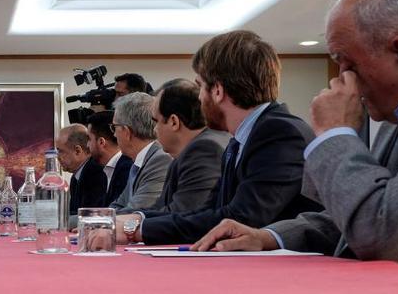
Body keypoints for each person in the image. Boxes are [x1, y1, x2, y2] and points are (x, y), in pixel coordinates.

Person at [193, 0, 398, 261]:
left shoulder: (289, 129)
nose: (343, 78)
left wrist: (336, 135)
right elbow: (347, 217)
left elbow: (381, 232)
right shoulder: (391, 121)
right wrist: (268, 236)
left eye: (347, 62)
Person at [105, 30, 321, 247]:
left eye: (200, 86)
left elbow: (240, 219)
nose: (198, 97)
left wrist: (136, 230)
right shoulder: (244, 137)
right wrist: (138, 220)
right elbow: (210, 211)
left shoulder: (278, 132)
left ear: (217, 90)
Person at [148, 79, 228, 213]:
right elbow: (159, 209)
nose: (155, 129)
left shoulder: (204, 150)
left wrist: (126, 225)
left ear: (174, 122)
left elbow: (183, 215)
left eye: (156, 121)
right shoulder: (198, 147)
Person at [109, 93, 173, 211]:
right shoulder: (139, 161)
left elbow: (135, 212)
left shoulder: (160, 160)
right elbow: (117, 206)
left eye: (114, 127)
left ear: (127, 131)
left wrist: (91, 222)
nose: (114, 134)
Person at [56, 124, 107, 215]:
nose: (57, 157)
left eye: (60, 151)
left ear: (77, 151)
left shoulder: (95, 174)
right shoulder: (76, 177)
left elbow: (89, 216)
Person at [86, 111, 133, 205]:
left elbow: (117, 211)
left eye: (89, 139)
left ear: (101, 142)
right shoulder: (106, 169)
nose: (87, 145)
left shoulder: (127, 168)